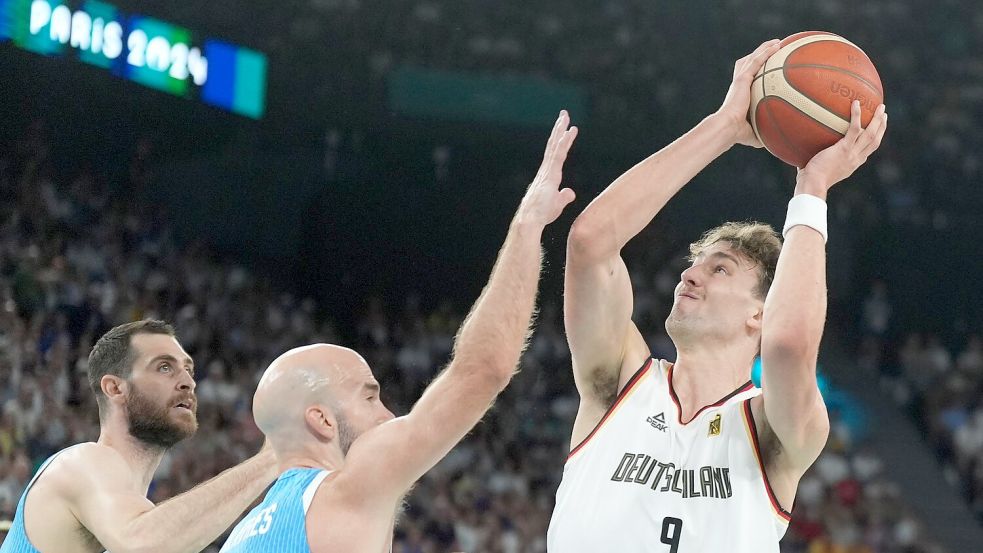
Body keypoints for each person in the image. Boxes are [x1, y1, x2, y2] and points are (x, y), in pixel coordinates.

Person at [547, 39, 888, 552]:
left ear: (760, 314)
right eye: (693, 265)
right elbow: (591, 243)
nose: (690, 276)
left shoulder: (771, 431)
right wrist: (725, 126)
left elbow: (789, 345)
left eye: (720, 268)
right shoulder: (618, 384)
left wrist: (812, 189)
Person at [219, 111, 579, 552]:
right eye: (370, 397)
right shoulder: (345, 490)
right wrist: (528, 224)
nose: (389, 414)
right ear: (323, 419)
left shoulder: (243, 531)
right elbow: (483, 369)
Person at [0, 319, 278, 553]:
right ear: (115, 388)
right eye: (164, 367)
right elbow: (141, 544)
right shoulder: (81, 463)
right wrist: (272, 458)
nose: (189, 382)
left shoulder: (131, 514)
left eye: (189, 370)